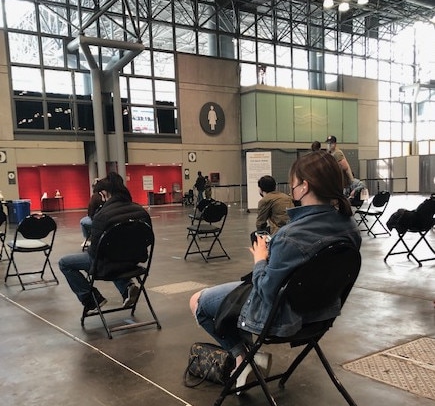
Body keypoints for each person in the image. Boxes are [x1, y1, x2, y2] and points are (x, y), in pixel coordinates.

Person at [189, 151, 361, 387]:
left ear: (304, 186)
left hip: (282, 317)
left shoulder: (290, 236)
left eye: (293, 184)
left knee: (198, 302)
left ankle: (243, 358)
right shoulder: (350, 228)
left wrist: (260, 259)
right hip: (322, 315)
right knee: (229, 300)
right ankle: (250, 356)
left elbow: (266, 290)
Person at [59, 172, 152, 315]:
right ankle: (127, 287)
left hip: (108, 264)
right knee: (115, 253)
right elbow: (148, 239)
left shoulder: (102, 216)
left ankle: (91, 298)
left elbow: (95, 252)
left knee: (65, 263)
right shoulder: (141, 211)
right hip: (133, 262)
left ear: (104, 193)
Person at [79, 178, 102, 248]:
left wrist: (90, 216)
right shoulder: (107, 195)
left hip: (97, 219)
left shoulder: (95, 196)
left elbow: (90, 211)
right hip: (103, 218)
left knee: (82, 221)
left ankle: (88, 239)